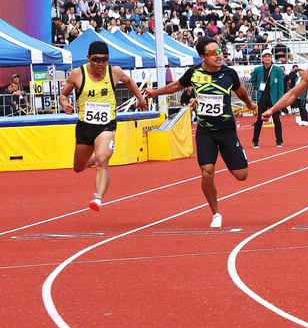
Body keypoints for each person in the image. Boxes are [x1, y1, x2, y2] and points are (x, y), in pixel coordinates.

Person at [144, 37, 256, 228]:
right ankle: (216, 213)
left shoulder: (229, 74)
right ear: (203, 57)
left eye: (219, 51)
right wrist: (155, 92)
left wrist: (250, 104)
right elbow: (176, 86)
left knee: (242, 175)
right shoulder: (194, 73)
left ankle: (226, 161)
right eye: (212, 53)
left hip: (227, 131)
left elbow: (241, 92)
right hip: (206, 132)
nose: (218, 56)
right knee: (207, 172)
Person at [58, 42, 148, 211]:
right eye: (96, 60)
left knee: (102, 161)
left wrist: (140, 98)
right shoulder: (77, 74)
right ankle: (95, 159)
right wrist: (65, 104)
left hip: (106, 125)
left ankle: (98, 198)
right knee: (78, 167)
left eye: (104, 59)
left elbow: (129, 82)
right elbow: (63, 95)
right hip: (85, 126)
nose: (100, 64)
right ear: (88, 59)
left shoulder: (114, 72)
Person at [249, 52, 286, 148]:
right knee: (259, 120)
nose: (267, 58)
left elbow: (281, 85)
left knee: (277, 120)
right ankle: (255, 141)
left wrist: (281, 99)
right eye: (265, 56)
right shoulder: (258, 70)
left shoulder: (277, 69)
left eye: (269, 56)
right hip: (263, 97)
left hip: (274, 98)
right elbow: (252, 80)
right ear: (262, 58)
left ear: (271, 58)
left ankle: (279, 141)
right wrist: (258, 87)